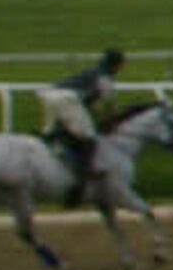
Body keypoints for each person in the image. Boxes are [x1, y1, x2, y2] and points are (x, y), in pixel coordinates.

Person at [39, 46, 128, 196]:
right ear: (116, 64)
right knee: (88, 135)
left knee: (54, 130)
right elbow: (110, 104)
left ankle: (57, 153)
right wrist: (115, 121)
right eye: (121, 65)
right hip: (66, 98)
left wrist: (98, 114)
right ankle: (87, 172)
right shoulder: (104, 77)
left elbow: (89, 104)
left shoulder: (94, 71)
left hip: (49, 93)